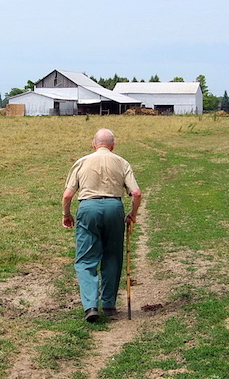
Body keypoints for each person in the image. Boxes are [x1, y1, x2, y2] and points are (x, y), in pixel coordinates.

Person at [62, 128, 142, 323]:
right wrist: (132, 214)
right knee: (112, 255)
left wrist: (66, 214)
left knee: (86, 258)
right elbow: (137, 193)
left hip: (88, 208)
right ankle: (108, 304)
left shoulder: (82, 162)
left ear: (93, 144)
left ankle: (90, 305)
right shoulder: (121, 162)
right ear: (112, 146)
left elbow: (67, 195)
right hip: (114, 208)